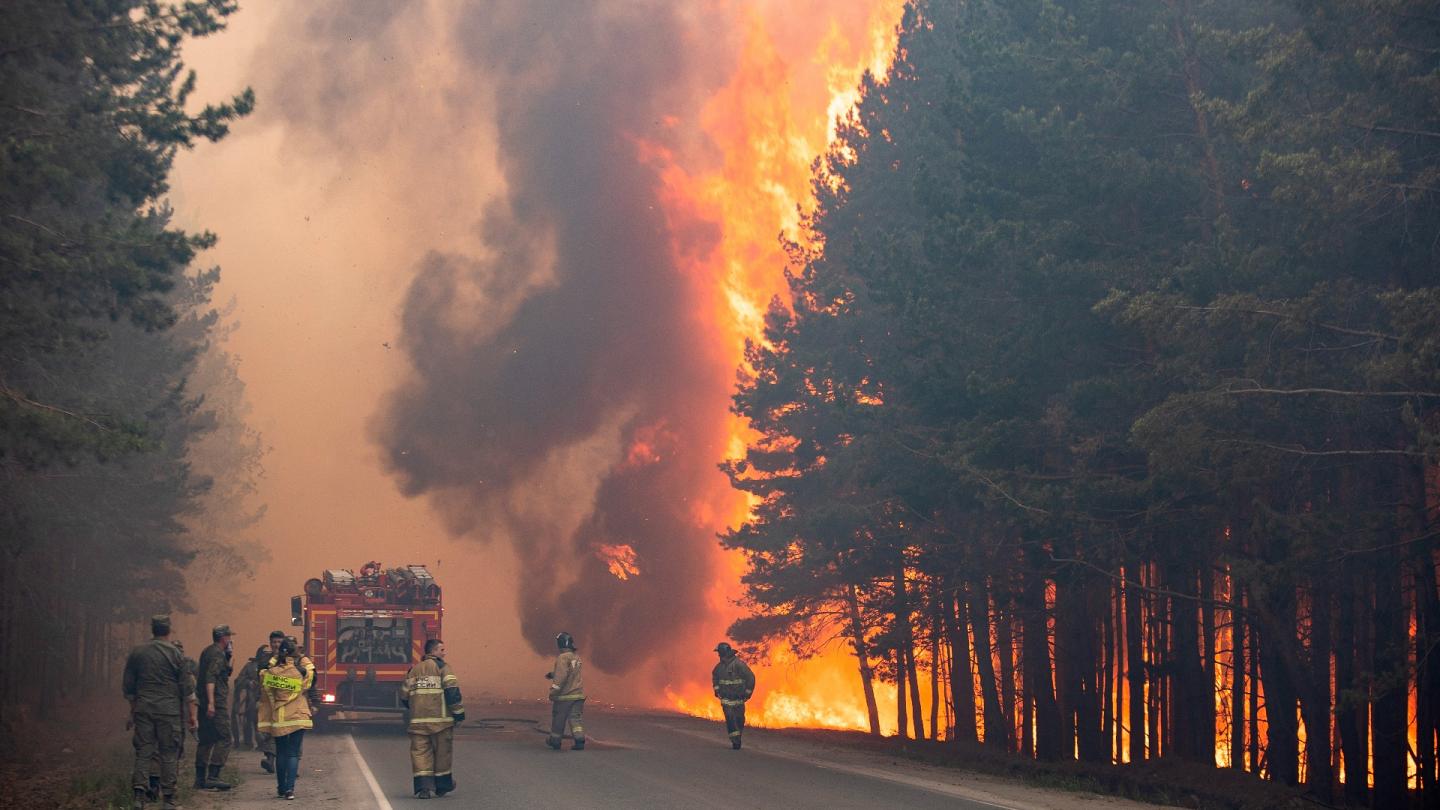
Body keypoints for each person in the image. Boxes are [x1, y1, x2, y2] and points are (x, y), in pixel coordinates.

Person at [122, 614, 197, 810]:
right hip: (169, 711)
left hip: (144, 708)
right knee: (168, 753)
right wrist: (192, 716)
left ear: (152, 629)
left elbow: (129, 686)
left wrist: (133, 711)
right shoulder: (176, 654)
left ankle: (139, 795)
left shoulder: (137, 653)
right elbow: (187, 687)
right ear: (168, 630)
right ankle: (169, 798)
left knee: (144, 752)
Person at [400, 638, 465, 799]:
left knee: (420, 754)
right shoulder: (443, 668)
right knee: (442, 754)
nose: (444, 653)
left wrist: (416, 709)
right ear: (433, 652)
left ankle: (424, 789)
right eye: (441, 650)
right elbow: (453, 693)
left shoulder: (413, 670)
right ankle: (442, 786)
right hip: (441, 723)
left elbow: (404, 696)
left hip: (417, 723)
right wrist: (459, 714)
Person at [258, 637, 314, 800]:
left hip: (280, 718)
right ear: (294, 653)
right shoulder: (301, 672)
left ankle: (281, 788)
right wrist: (301, 658)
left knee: (281, 753)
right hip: (298, 717)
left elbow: (262, 675)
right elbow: (311, 676)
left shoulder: (271, 673)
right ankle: (290, 790)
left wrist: (275, 658)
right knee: (293, 753)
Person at [194, 624, 235, 790]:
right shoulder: (217, 654)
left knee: (206, 739)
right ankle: (213, 775)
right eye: (229, 637)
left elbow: (220, 673)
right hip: (215, 702)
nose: (230, 640)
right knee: (225, 738)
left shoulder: (208, 651)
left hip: (203, 702)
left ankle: (200, 779)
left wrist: (229, 658)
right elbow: (211, 677)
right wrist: (212, 703)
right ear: (224, 638)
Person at [545, 632, 585, 751]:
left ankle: (555, 741)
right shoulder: (576, 657)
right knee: (575, 719)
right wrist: (553, 674)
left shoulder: (563, 657)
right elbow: (570, 673)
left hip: (565, 696)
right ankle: (579, 740)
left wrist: (553, 691)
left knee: (559, 718)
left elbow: (562, 676)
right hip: (578, 695)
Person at [712, 642, 755, 749]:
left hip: (739, 698)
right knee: (730, 719)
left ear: (723, 652)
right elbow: (715, 678)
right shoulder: (718, 667)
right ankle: (735, 741)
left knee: (739, 720)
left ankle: (738, 736)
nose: (718, 655)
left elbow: (751, 678)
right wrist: (717, 690)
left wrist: (747, 693)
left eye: (719, 653)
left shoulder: (739, 664)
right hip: (726, 699)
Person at [257, 630, 284, 774]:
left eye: (279, 642)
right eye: (274, 642)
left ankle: (274, 761)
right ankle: (270, 759)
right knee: (265, 732)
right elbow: (260, 678)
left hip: (283, 701)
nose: (276, 645)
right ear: (270, 643)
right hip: (266, 700)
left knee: (279, 732)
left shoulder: (288, 659)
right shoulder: (264, 659)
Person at [230, 648, 261, 750]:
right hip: (252, 700)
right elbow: (238, 680)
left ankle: (266, 745)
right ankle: (247, 743)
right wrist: (248, 682)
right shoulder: (250, 666)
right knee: (247, 720)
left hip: (269, 700)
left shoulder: (280, 663)